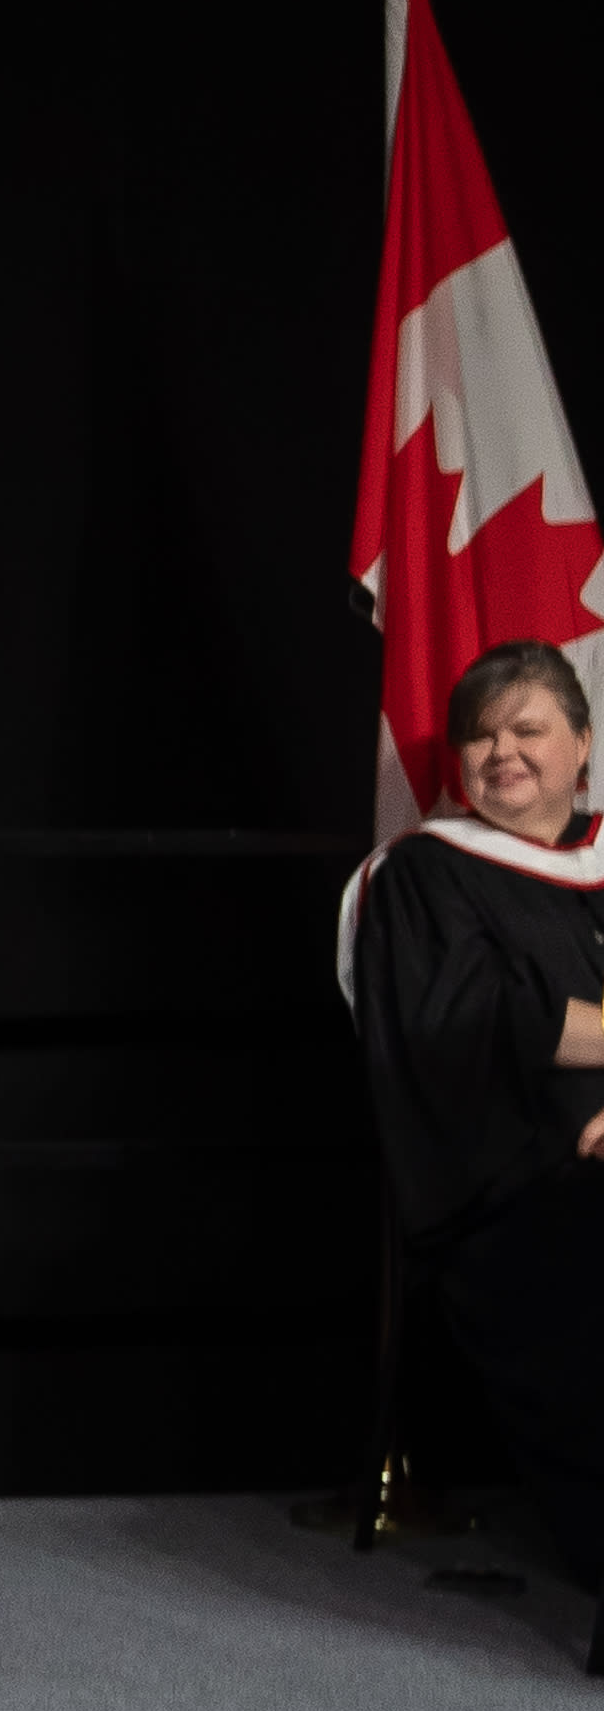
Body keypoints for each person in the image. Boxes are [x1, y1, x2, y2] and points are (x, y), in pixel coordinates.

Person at [341, 640, 604, 1583]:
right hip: (525, 1195)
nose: (504, 752)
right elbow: (467, 1028)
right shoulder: (425, 877)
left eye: (528, 729)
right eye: (480, 737)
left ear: (581, 744)